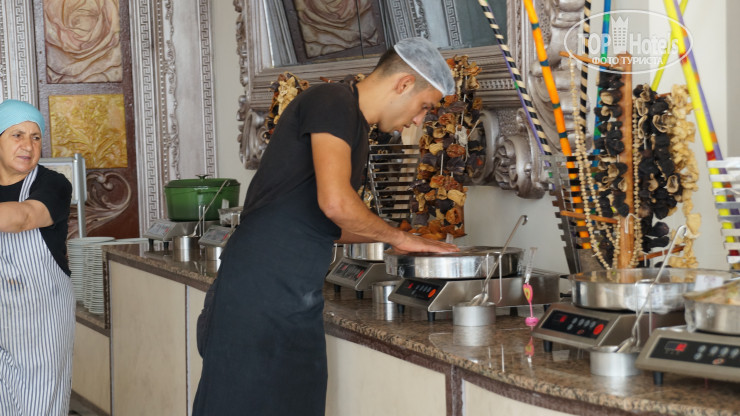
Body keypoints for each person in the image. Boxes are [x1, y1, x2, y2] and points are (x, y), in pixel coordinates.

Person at [193, 37, 458, 415]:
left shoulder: (356, 127)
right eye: (424, 107)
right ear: (403, 84)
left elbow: (325, 222)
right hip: (258, 293)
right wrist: (399, 235)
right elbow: (335, 203)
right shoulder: (332, 101)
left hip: (293, 294)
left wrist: (401, 243)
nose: (419, 120)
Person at [0, 99, 75, 415]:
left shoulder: (53, 184)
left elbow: (23, 218)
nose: (28, 145)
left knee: (38, 406)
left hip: (41, 322)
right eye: (17, 135)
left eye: (35, 137)